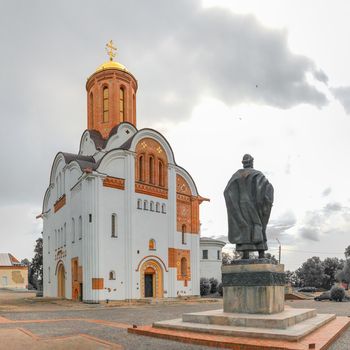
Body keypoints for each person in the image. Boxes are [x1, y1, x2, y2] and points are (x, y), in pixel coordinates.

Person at [224, 154, 274, 259]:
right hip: (255, 204)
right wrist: (264, 206)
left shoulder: (237, 175)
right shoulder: (258, 174)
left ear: (243, 163)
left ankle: (245, 254)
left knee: (244, 227)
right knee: (258, 225)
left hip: (240, 204)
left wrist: (234, 205)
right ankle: (261, 253)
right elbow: (268, 190)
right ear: (252, 162)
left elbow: (227, 191)